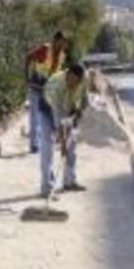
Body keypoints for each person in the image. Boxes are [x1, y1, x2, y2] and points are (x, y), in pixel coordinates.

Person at [38, 63, 89, 197]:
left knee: (72, 147)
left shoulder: (83, 79)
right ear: (69, 74)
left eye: (78, 82)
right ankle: (46, 188)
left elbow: (85, 100)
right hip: (48, 110)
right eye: (73, 81)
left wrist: (79, 111)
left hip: (68, 109)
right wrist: (62, 140)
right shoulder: (57, 85)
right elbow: (58, 118)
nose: (75, 85)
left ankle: (69, 181)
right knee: (47, 147)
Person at [25, 31, 68, 153]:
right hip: (35, 88)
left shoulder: (62, 55)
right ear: (55, 40)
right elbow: (28, 57)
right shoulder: (45, 49)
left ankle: (51, 139)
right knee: (34, 117)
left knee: (51, 115)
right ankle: (34, 145)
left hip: (48, 91)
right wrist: (26, 78)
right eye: (61, 42)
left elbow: (56, 74)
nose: (62, 45)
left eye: (64, 43)